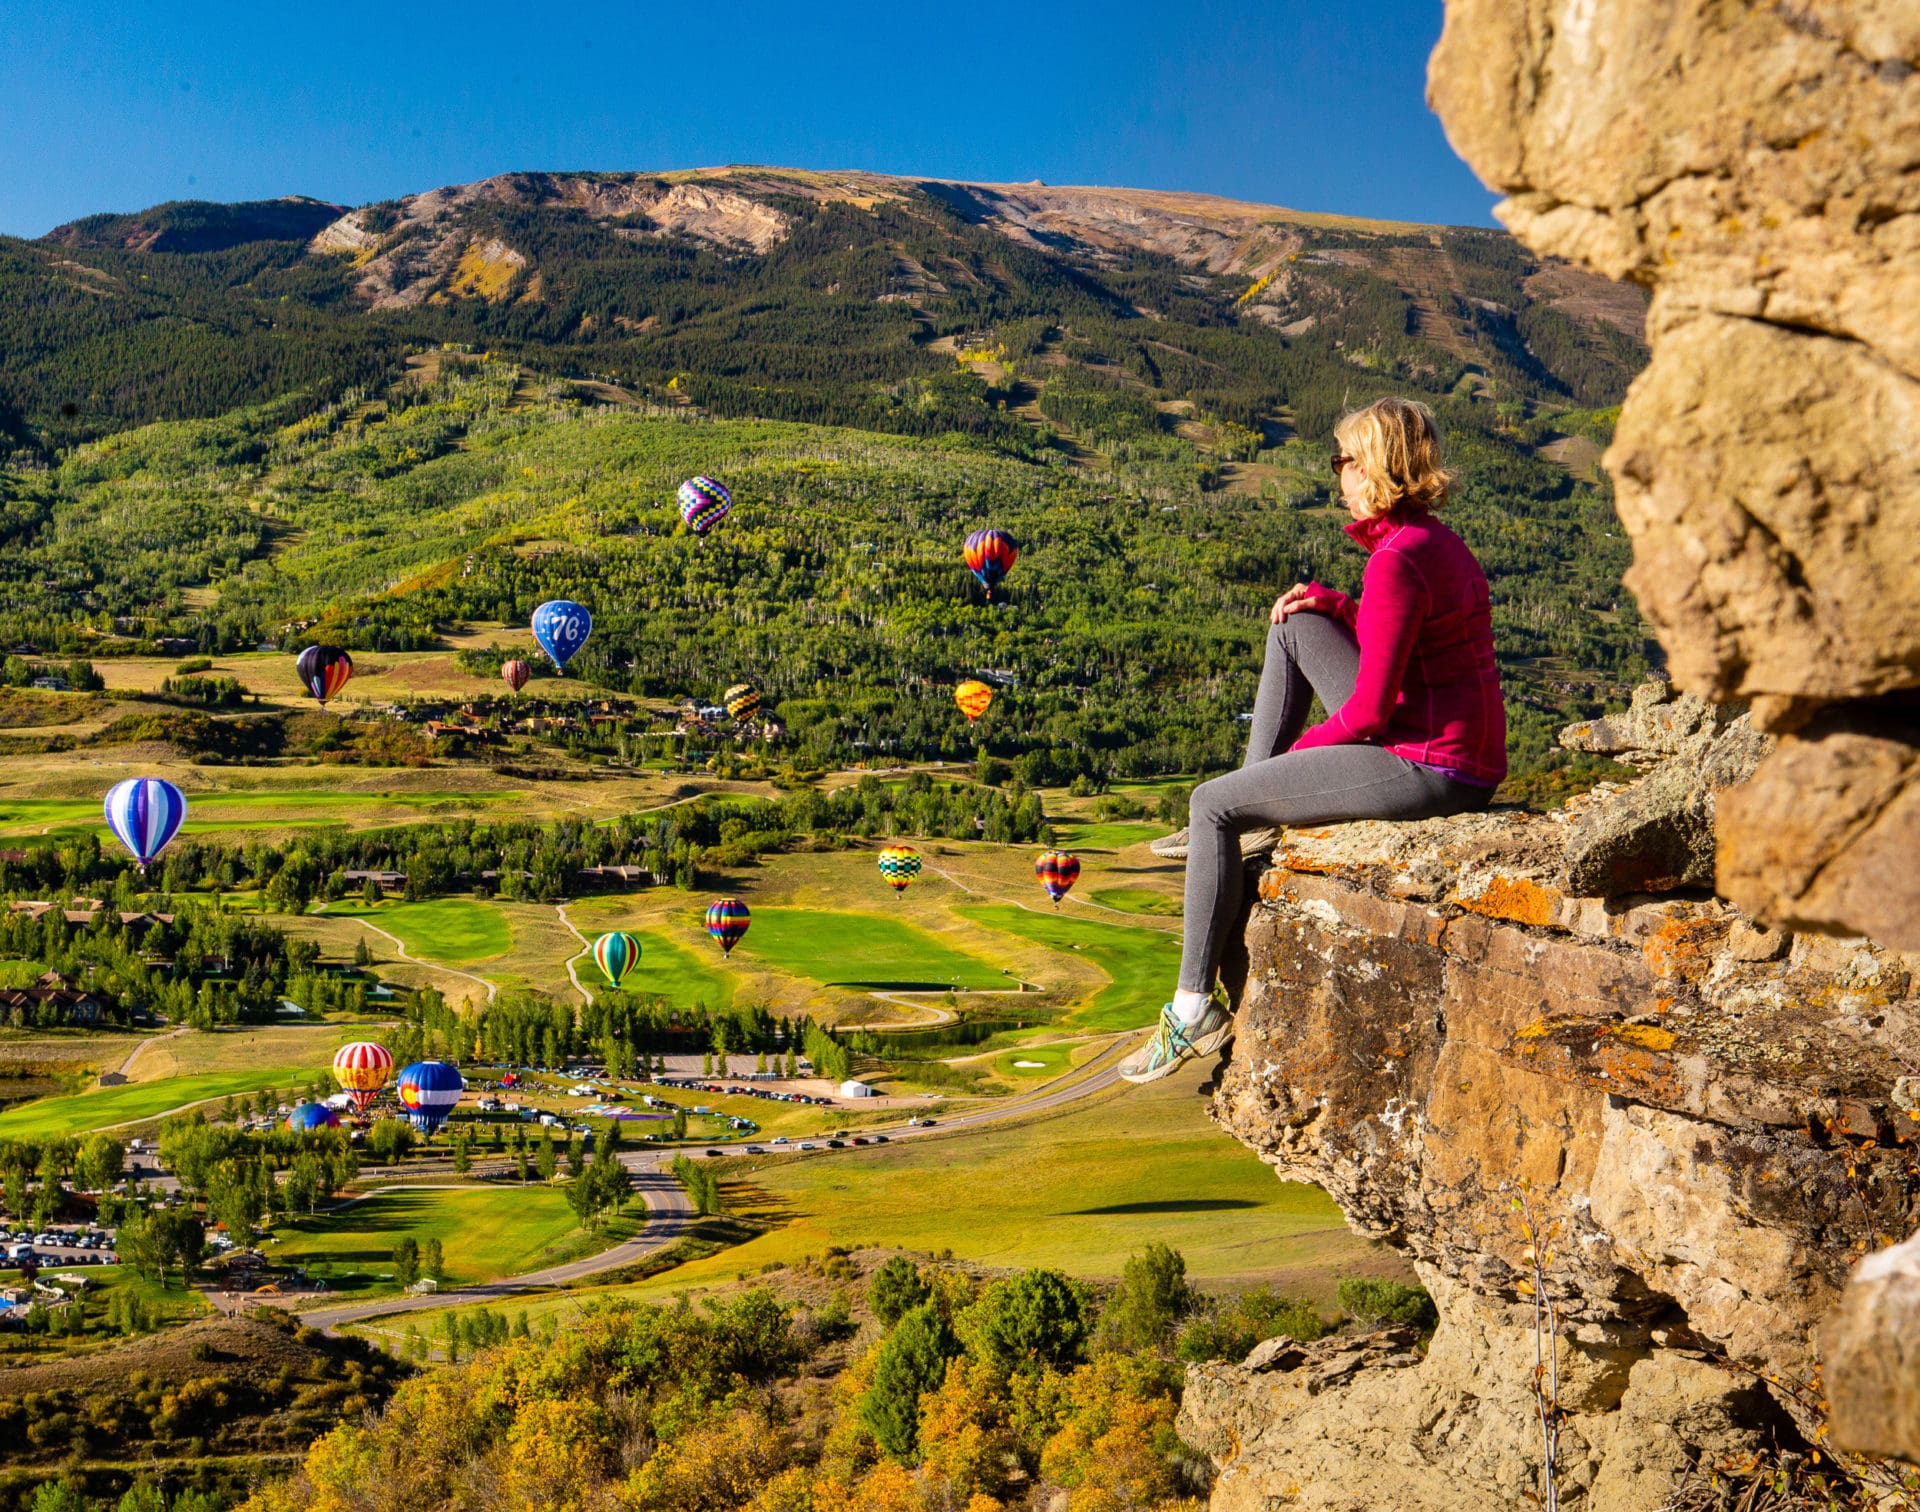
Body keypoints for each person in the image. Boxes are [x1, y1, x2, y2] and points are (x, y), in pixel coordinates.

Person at [1120, 397, 1506, 1083]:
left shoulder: (1397, 558)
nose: (1339, 475)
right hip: (1455, 752)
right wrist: (1335, 606)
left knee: (1213, 802)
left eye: (1345, 460)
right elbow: (1401, 643)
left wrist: (1295, 768)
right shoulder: (1426, 542)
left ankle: (1190, 1010)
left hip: (1429, 765)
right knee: (1294, 624)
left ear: (1378, 466)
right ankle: (1246, 823)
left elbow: (1368, 713)